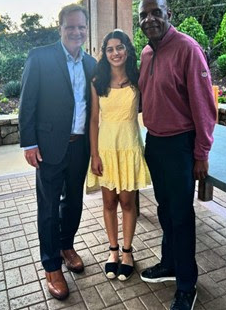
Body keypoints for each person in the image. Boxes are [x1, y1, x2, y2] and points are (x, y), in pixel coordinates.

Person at [138, 0, 216, 310]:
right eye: (144, 15)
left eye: (156, 13)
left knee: (181, 216)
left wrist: (201, 153)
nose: (150, 19)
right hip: (154, 142)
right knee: (164, 209)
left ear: (169, 13)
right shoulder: (145, 53)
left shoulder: (188, 49)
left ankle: (187, 284)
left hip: (181, 146)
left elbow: (204, 107)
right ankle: (169, 263)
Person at [19, 4, 96, 300]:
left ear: (86, 29)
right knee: (49, 208)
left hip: (80, 147)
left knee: (74, 202)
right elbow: (27, 103)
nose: (76, 32)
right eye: (70, 26)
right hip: (49, 148)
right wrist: (29, 143)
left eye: (81, 27)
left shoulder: (91, 63)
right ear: (60, 27)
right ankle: (51, 266)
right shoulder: (40, 57)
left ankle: (66, 246)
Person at [86, 29, 150, 281]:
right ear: (105, 53)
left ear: (127, 50)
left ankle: (127, 252)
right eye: (110, 49)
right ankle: (112, 250)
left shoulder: (138, 78)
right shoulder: (97, 81)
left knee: (127, 202)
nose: (115, 53)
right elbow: (93, 120)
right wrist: (94, 154)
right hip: (106, 149)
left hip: (130, 145)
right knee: (109, 203)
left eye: (120, 47)